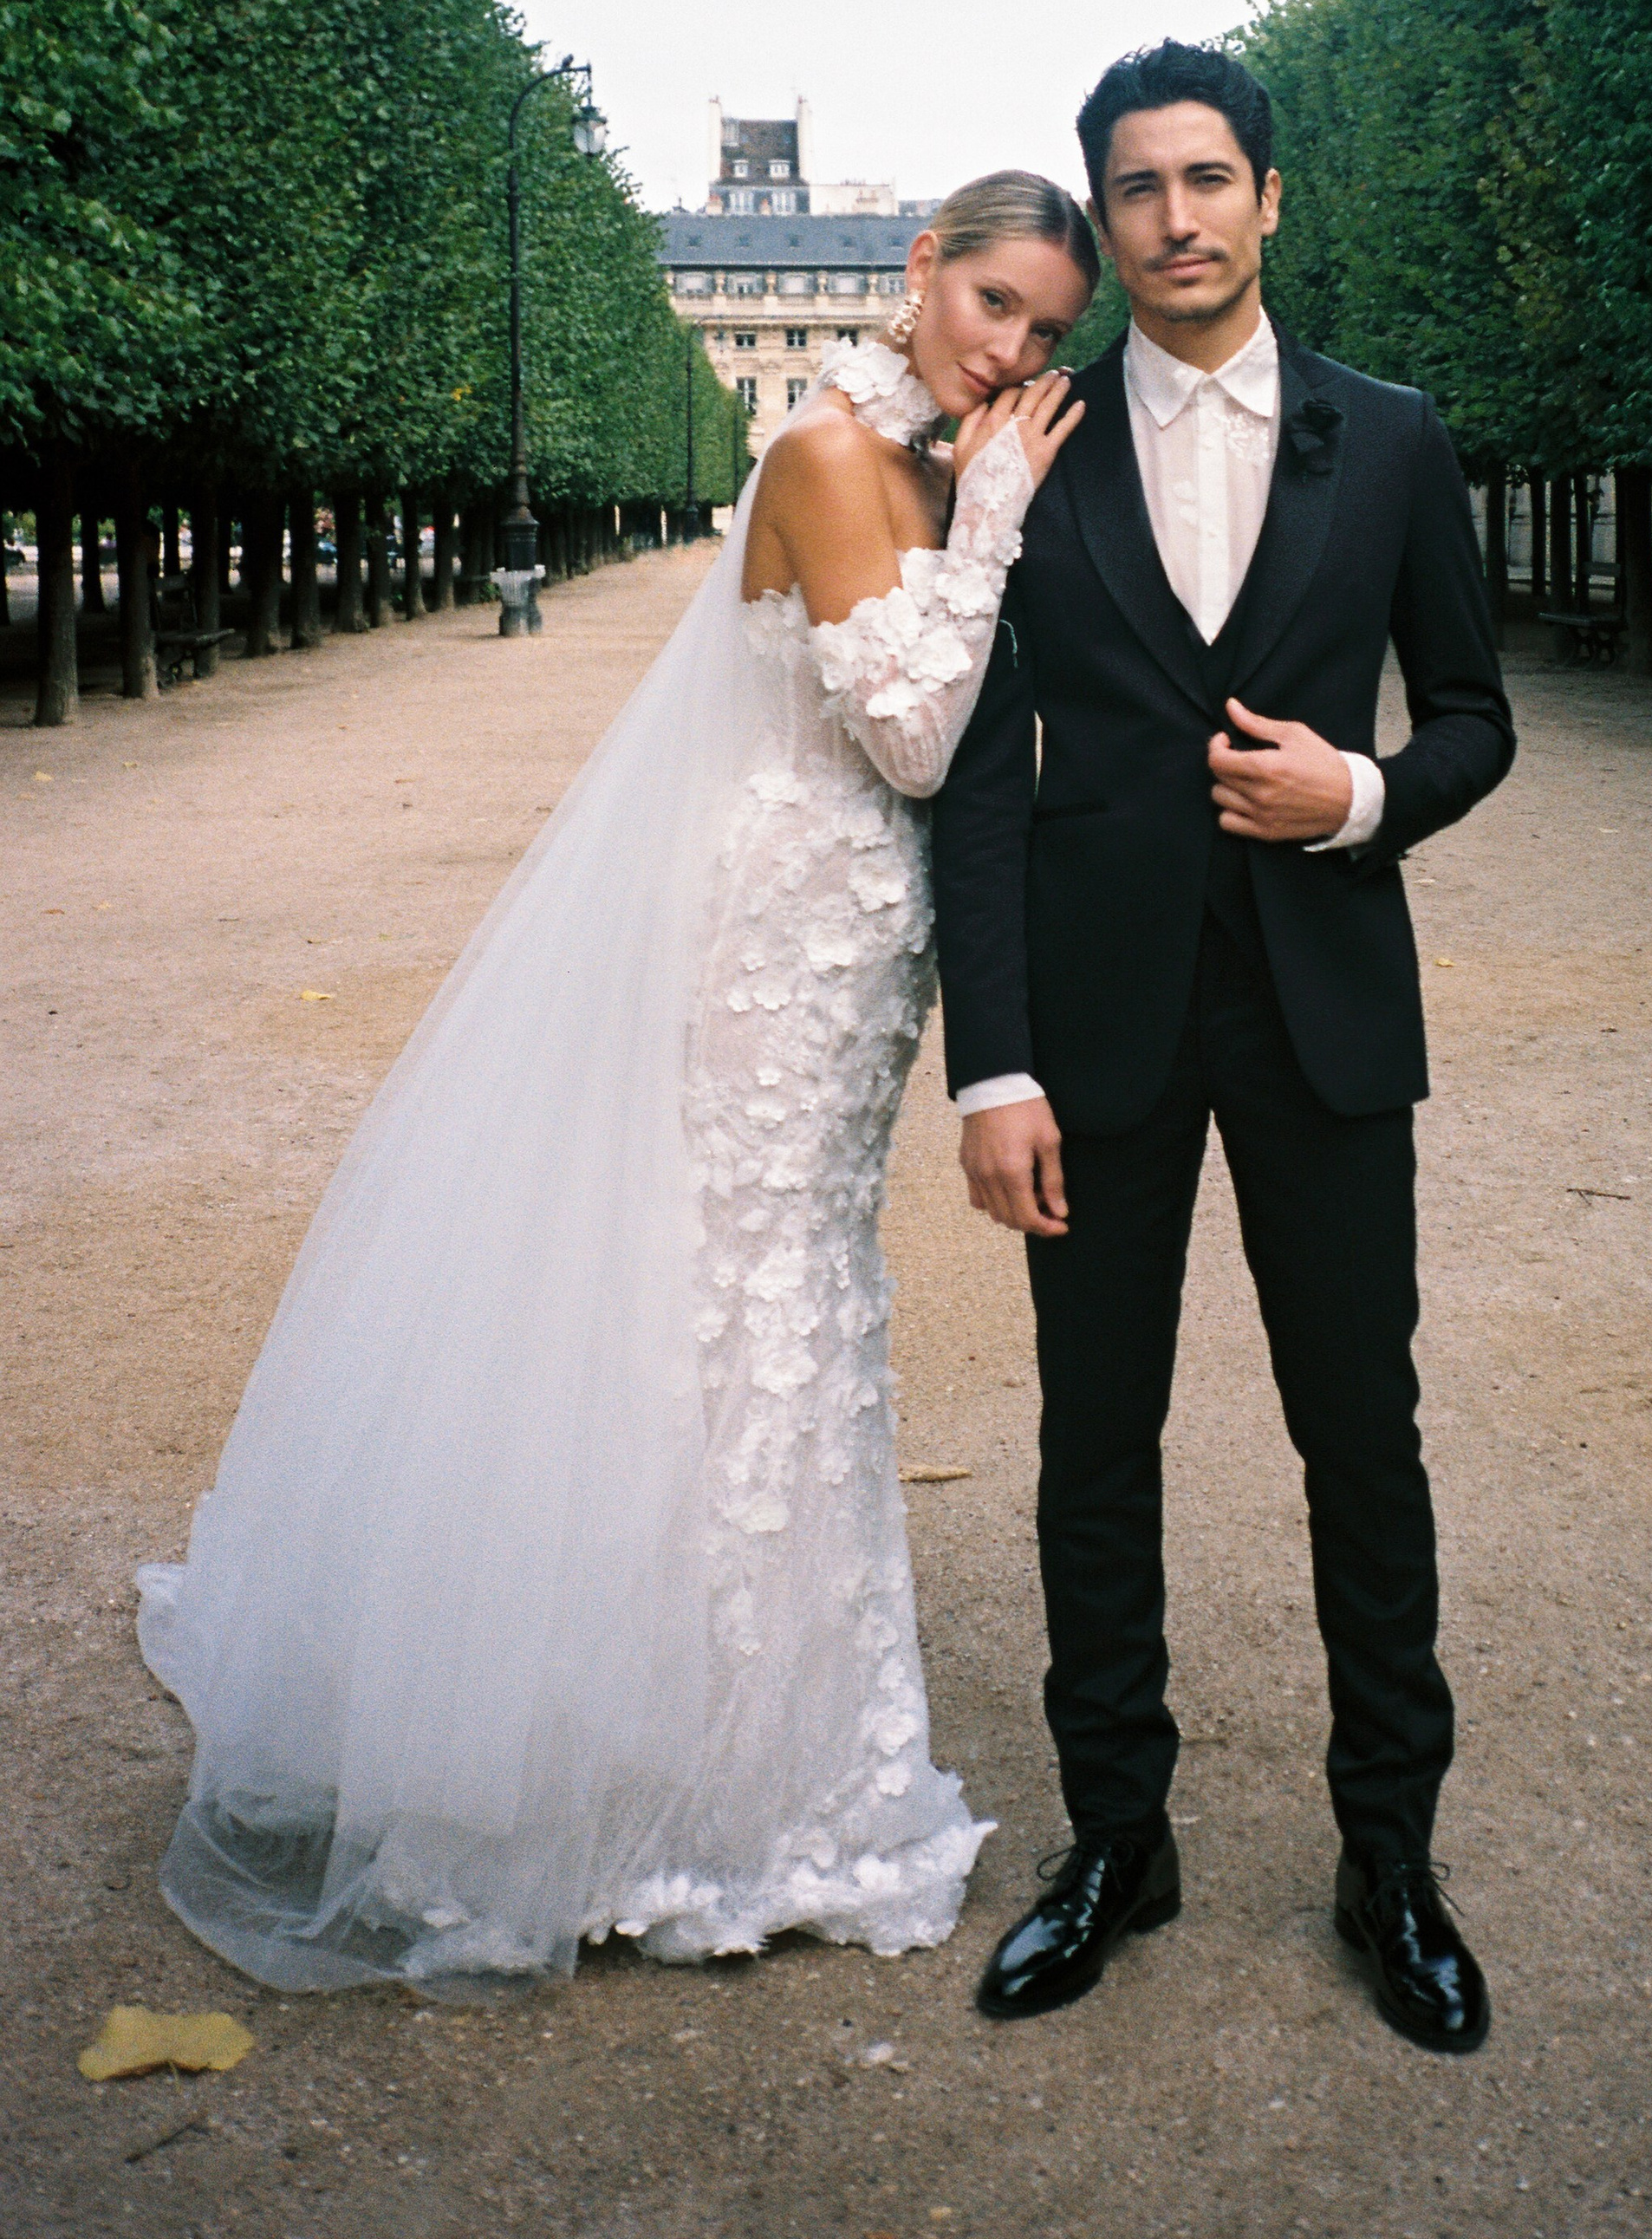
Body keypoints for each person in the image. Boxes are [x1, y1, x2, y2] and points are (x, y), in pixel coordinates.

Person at [136, 172, 1096, 1994]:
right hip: (771, 946)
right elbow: (904, 725)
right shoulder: (831, 455)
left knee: (798, 1302)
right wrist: (992, 525)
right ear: (918, 272)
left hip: (850, 950)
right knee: (736, 1297)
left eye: (1048, 330)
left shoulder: (926, 456)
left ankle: (753, 1736)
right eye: (992, 305)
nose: (1015, 349)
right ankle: (684, 1770)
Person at [933, 45, 1515, 2054]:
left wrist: (1355, 792)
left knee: (1362, 1439)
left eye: (1205, 178)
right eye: (1134, 190)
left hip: (1324, 1014)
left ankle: (1391, 1855)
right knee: (1092, 1446)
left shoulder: (1395, 438)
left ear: (1271, 195)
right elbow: (978, 784)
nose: (1172, 218)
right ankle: (1118, 1837)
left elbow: (1469, 716)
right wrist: (986, 1064)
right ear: (1101, 225)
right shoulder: (1024, 449)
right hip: (1088, 1033)